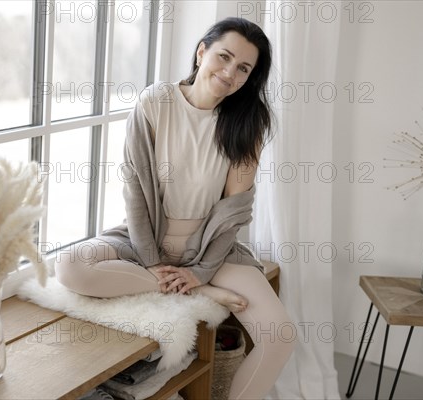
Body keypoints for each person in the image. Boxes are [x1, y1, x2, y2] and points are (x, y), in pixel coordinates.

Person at [55, 17, 295, 399]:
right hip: (145, 239)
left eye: (243, 68)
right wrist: (152, 261)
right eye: (224, 57)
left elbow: (233, 211)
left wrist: (201, 272)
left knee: (280, 336)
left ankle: (198, 287)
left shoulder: (248, 124)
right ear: (202, 52)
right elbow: (135, 187)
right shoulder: (155, 101)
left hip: (211, 250)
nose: (230, 72)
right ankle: (195, 294)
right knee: (70, 266)